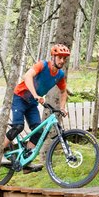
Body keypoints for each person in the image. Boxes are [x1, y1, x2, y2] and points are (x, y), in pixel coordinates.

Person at [6, 44, 70, 172]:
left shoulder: (60, 75)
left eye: (64, 58)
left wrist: (62, 108)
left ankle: (26, 163)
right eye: (59, 57)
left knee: (38, 131)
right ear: (53, 57)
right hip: (19, 97)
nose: (62, 61)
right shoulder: (42, 65)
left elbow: (63, 92)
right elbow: (27, 76)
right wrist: (36, 95)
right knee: (18, 126)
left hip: (32, 103)